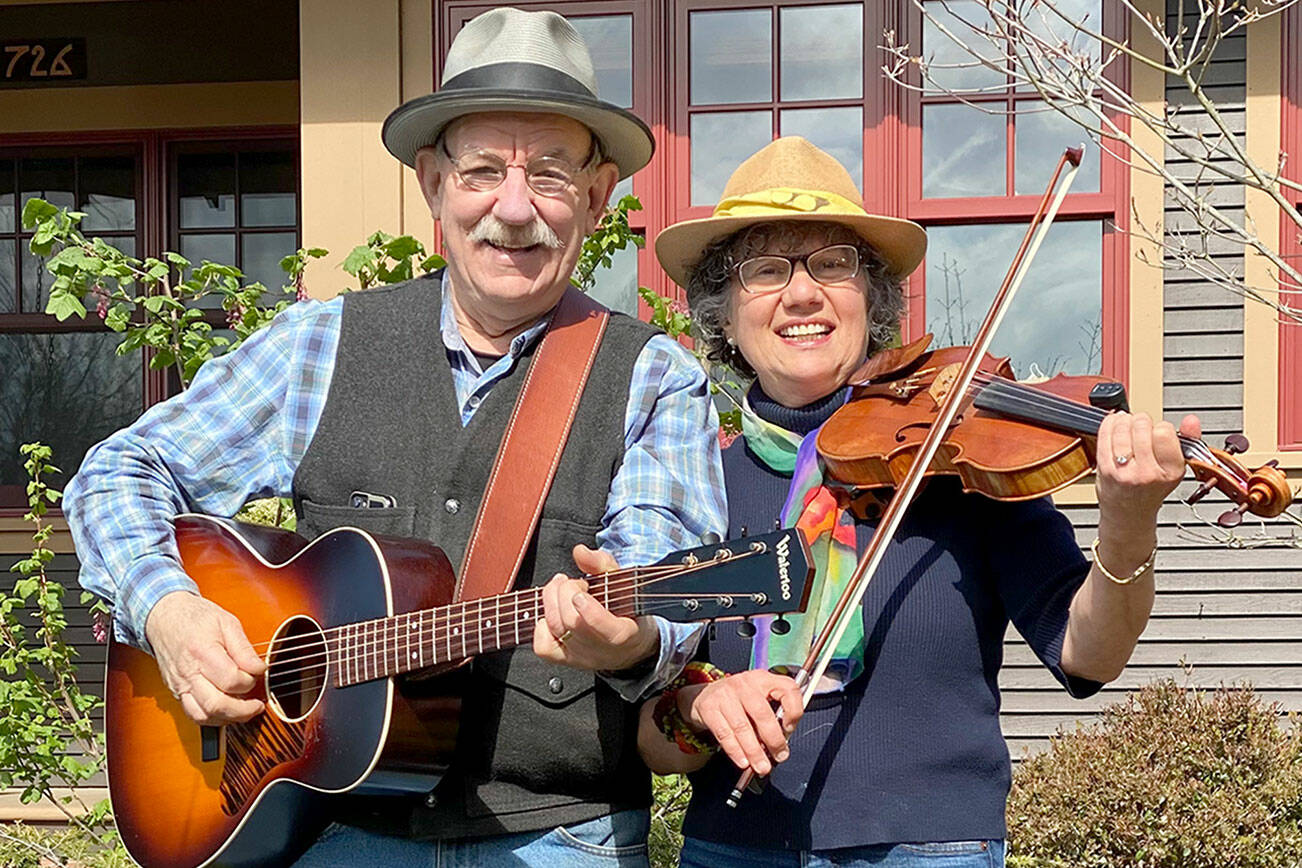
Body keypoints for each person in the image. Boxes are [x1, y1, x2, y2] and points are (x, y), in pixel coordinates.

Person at [63, 8, 724, 865]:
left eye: (550, 175)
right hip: (336, 832)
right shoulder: (320, 344)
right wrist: (168, 609)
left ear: (596, 197)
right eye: (482, 170)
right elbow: (118, 472)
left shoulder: (651, 376)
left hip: (561, 834)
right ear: (433, 183)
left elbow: (668, 580)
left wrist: (632, 637)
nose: (513, 208)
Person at [636, 136, 1197, 868]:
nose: (802, 294)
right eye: (765, 270)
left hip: (933, 848)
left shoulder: (959, 463)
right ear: (724, 315)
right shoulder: (701, 485)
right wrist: (699, 705)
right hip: (735, 849)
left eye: (833, 264)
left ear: (871, 299)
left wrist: (1128, 523)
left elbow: (1089, 653)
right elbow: (652, 739)